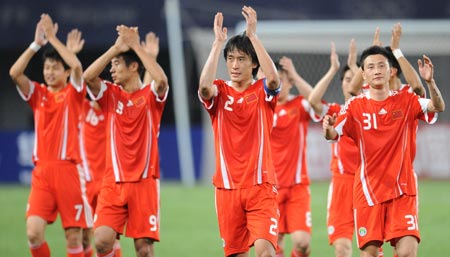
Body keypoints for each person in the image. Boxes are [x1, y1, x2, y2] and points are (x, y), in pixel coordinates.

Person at [322, 45, 445, 257]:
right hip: (368, 192)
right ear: (364, 74)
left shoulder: (406, 99)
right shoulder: (354, 106)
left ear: (391, 71)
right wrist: (328, 127)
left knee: (407, 252)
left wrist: (430, 82)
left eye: (381, 65)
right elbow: (332, 134)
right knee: (369, 253)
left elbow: (437, 106)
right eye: (371, 67)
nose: (377, 70)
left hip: (402, 190)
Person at [198, 6, 281, 257]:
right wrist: (216, 44)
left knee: (265, 251)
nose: (234, 64)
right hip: (227, 189)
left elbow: (274, 81)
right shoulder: (220, 91)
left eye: (242, 59)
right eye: (231, 58)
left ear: (253, 62)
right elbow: (203, 88)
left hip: (261, 186)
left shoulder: (261, 92)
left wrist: (254, 37)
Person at [9, 14, 92, 257]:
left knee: (74, 236)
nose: (49, 71)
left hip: (68, 170)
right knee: (33, 232)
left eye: (55, 67)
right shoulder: (38, 94)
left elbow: (76, 67)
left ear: (65, 73)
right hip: (42, 172)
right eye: (46, 67)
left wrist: (54, 39)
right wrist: (37, 43)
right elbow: (15, 73)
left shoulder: (73, 93)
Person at [83, 25, 169, 257]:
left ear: (133, 67)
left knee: (143, 249)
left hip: (144, 181)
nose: (112, 69)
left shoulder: (150, 97)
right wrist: (115, 49)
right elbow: (88, 77)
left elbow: (161, 80)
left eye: (117, 64)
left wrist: (136, 48)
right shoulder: (111, 95)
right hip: (113, 182)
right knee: (101, 241)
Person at [269, 56, 317, 257]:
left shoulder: (299, 105)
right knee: (274, 242)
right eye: (275, 79)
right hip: (270, 186)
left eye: (283, 79)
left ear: (290, 83)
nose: (279, 83)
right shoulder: (262, 108)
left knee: (302, 243)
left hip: (297, 186)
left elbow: (315, 99)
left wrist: (295, 75)